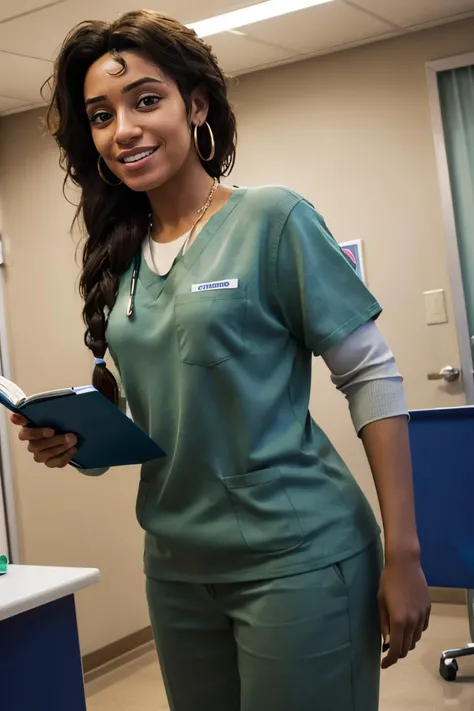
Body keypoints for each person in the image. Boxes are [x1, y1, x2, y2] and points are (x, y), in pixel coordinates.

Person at [12, 10, 430, 711]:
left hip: (297, 555)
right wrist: (77, 441)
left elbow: (370, 377)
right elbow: (168, 409)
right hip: (176, 567)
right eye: (101, 115)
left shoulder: (274, 219)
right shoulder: (120, 254)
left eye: (147, 99)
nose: (125, 129)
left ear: (195, 103)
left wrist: (407, 552)